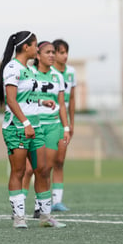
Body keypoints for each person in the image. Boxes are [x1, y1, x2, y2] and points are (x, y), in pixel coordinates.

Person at [0, 31, 65, 228]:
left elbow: (26, 97)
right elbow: (10, 99)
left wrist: (43, 101)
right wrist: (25, 123)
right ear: (26, 47)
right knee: (18, 172)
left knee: (42, 170)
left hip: (36, 127)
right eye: (36, 46)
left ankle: (45, 217)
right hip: (17, 128)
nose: (37, 49)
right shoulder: (12, 68)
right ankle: (19, 218)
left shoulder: (29, 69)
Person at [21, 41, 71, 224]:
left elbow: (62, 105)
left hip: (52, 126)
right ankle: (19, 206)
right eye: (48, 52)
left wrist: (66, 128)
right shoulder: (29, 74)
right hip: (34, 125)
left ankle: (39, 207)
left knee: (45, 169)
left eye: (53, 52)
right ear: (38, 55)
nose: (52, 55)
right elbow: (23, 98)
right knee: (28, 170)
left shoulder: (58, 76)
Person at [50, 39, 76, 211]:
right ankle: (27, 200)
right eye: (61, 52)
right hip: (48, 121)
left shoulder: (71, 72)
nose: (64, 55)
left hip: (63, 121)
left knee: (59, 161)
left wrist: (71, 123)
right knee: (36, 167)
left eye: (66, 52)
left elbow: (72, 99)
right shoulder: (47, 72)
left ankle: (56, 201)